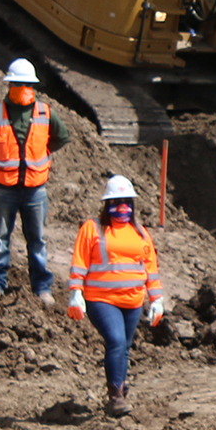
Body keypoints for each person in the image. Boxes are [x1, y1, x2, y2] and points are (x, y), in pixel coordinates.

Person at [67, 174, 167, 417]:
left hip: (133, 300)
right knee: (116, 340)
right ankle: (115, 397)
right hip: (101, 299)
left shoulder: (141, 233)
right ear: (106, 205)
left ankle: (120, 385)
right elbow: (79, 263)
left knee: (124, 346)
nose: (122, 207)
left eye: (127, 202)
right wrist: (75, 293)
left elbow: (150, 269)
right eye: (116, 201)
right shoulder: (92, 229)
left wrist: (157, 299)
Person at [0, 58, 54, 306]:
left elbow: (60, 137)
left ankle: (42, 288)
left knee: (37, 240)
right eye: (17, 83)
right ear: (9, 84)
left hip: (35, 189)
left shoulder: (45, 112)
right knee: (0, 239)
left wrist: (40, 155)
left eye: (25, 84)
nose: (22, 88)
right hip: (4, 188)